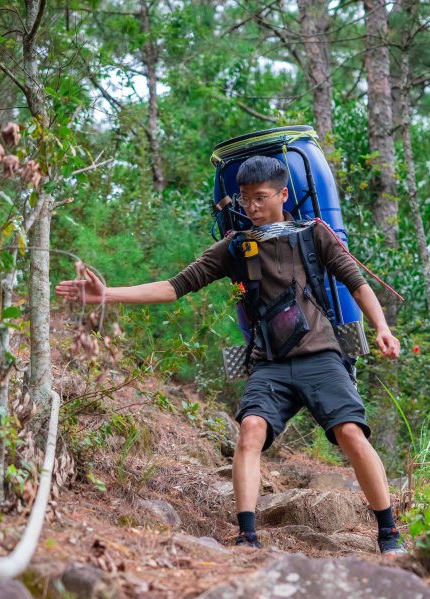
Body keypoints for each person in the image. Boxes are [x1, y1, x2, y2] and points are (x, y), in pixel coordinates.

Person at [56, 156, 405, 554]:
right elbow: (175, 287)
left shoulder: (313, 235)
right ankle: (247, 535)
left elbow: (356, 283)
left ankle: (389, 533)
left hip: (321, 355)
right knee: (250, 430)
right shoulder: (236, 247)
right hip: (269, 364)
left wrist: (382, 327)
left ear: (283, 194)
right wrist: (108, 295)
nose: (252, 207)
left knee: (350, 433)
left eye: (261, 198)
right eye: (244, 199)